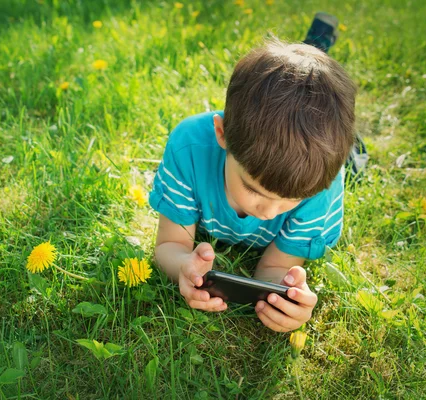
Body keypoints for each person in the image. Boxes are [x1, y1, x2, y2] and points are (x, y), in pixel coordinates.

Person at [148, 29, 357, 332]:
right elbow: (169, 244)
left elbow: (275, 267)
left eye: (291, 200)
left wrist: (287, 296)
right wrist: (183, 268)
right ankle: (314, 43)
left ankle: (317, 43)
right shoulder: (189, 149)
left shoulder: (320, 186)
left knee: (350, 152)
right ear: (222, 134)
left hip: (321, 147)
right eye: (253, 189)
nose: (271, 212)